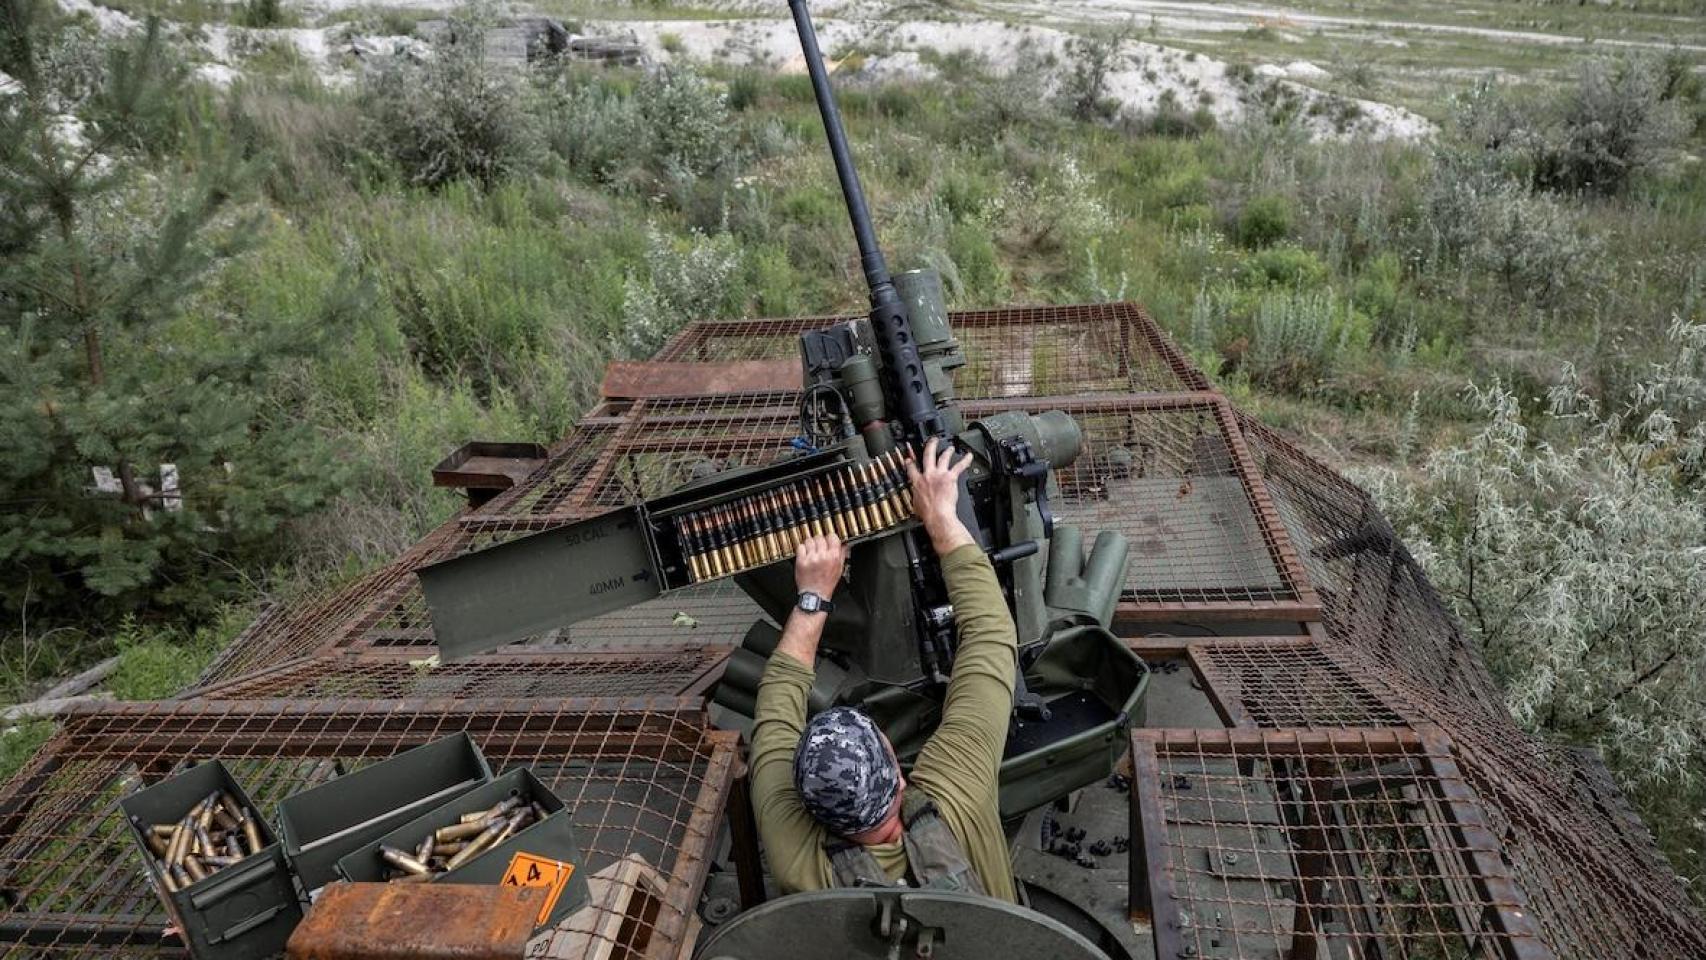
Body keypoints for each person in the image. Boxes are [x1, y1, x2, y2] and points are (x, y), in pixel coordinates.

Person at [749, 437, 1019, 902]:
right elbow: (992, 634)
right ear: (895, 765)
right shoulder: (960, 795)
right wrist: (941, 518)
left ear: (805, 806)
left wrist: (812, 597)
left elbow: (775, 709)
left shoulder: (792, 851)